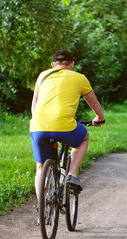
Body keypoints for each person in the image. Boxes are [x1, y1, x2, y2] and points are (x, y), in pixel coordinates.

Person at [30, 50, 105, 194]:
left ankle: (42, 211)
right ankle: (71, 174)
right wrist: (99, 118)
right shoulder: (79, 78)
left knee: (40, 167)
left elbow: (34, 103)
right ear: (72, 65)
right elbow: (94, 103)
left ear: (53, 65)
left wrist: (39, 121)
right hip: (65, 126)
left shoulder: (42, 76)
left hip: (38, 126)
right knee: (84, 137)